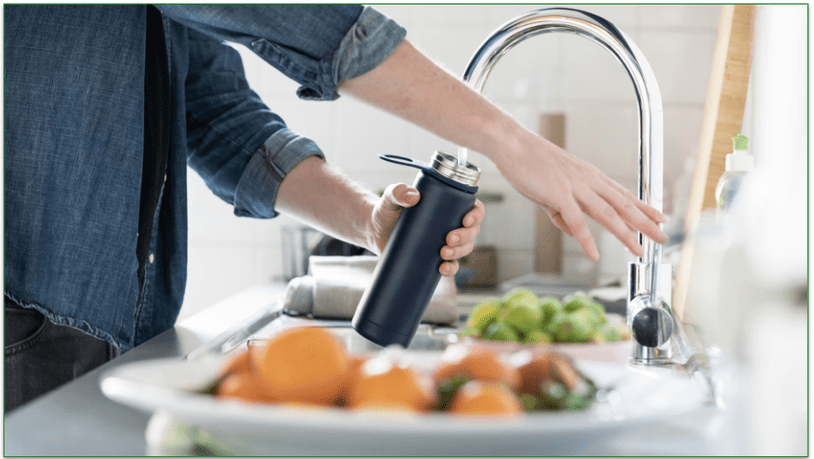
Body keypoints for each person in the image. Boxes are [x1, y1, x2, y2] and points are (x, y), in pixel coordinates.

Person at [3, 5, 666, 412]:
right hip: (21, 320)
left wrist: (368, 220)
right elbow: (300, 19)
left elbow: (215, 115)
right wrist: (509, 141)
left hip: (106, 334)